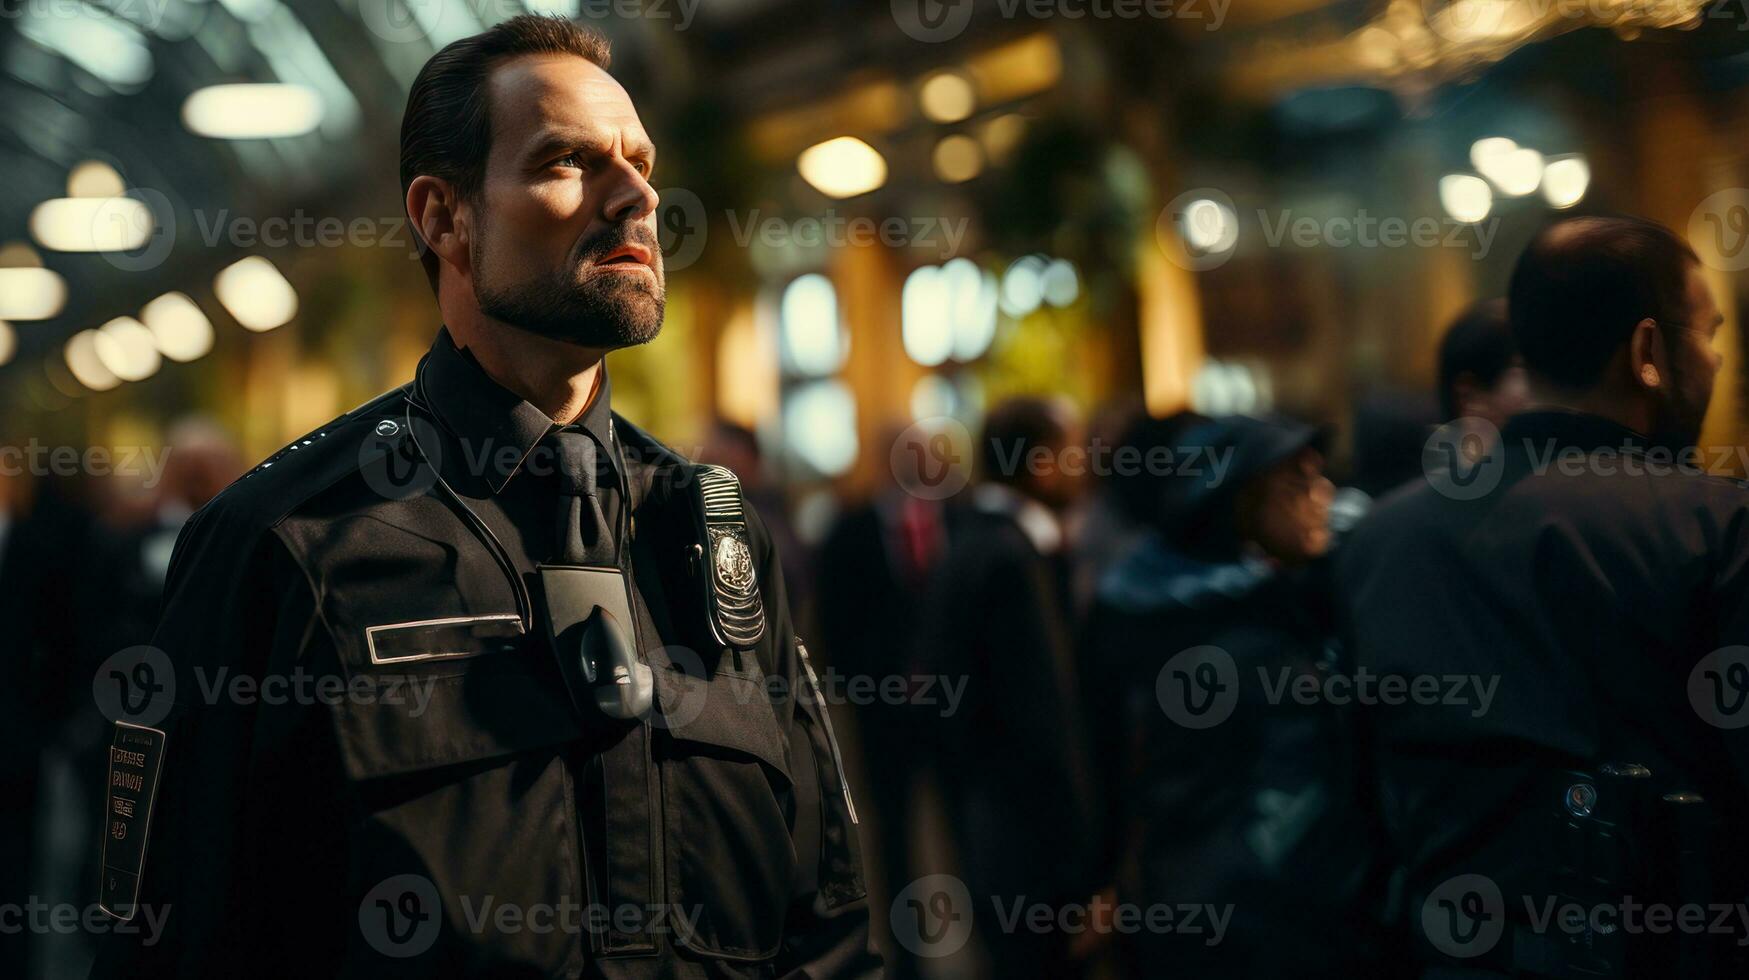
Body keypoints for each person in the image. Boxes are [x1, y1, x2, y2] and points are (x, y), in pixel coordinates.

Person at [88, 16, 878, 977]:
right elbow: (175, 942)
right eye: (566, 162)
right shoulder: (287, 543)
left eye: (640, 162)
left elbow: (828, 925)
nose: (635, 196)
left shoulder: (710, 536)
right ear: (443, 216)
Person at [1337, 215, 1743, 975]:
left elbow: (1352, 800)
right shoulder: (1713, 526)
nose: (1718, 357)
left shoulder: (1379, 540)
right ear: (1648, 353)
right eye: (1708, 332)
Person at [1086, 414, 1382, 978]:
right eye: (1297, 484)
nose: (1323, 497)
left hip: (1206, 905)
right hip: (1255, 924)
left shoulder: (1148, 598)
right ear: (1239, 502)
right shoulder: (1245, 629)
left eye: (1322, 478)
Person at [908, 397, 1094, 977]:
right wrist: (1083, 871)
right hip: (1033, 858)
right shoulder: (1014, 560)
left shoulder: (969, 544)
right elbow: (1047, 721)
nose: (1083, 464)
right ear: (1040, 463)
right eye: (1073, 451)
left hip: (989, 842)